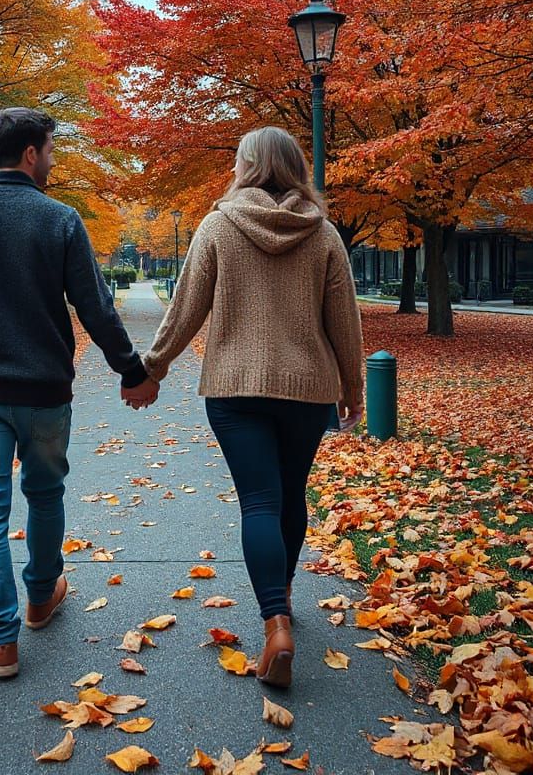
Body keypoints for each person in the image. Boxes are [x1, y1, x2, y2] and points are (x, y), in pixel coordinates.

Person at [0, 107, 159, 679]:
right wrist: (131, 370)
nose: (51, 159)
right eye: (49, 149)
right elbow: (94, 306)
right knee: (46, 495)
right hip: (46, 394)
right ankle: (41, 598)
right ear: (30, 153)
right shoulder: (60, 221)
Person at [140, 126, 364, 689]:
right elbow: (345, 322)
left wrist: (153, 368)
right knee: (290, 495)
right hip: (307, 388)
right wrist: (353, 390)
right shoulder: (324, 233)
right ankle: (282, 598)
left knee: (259, 501)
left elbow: (187, 307)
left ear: (246, 166)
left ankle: (275, 624)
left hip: (236, 389)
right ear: (295, 170)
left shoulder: (218, 225)